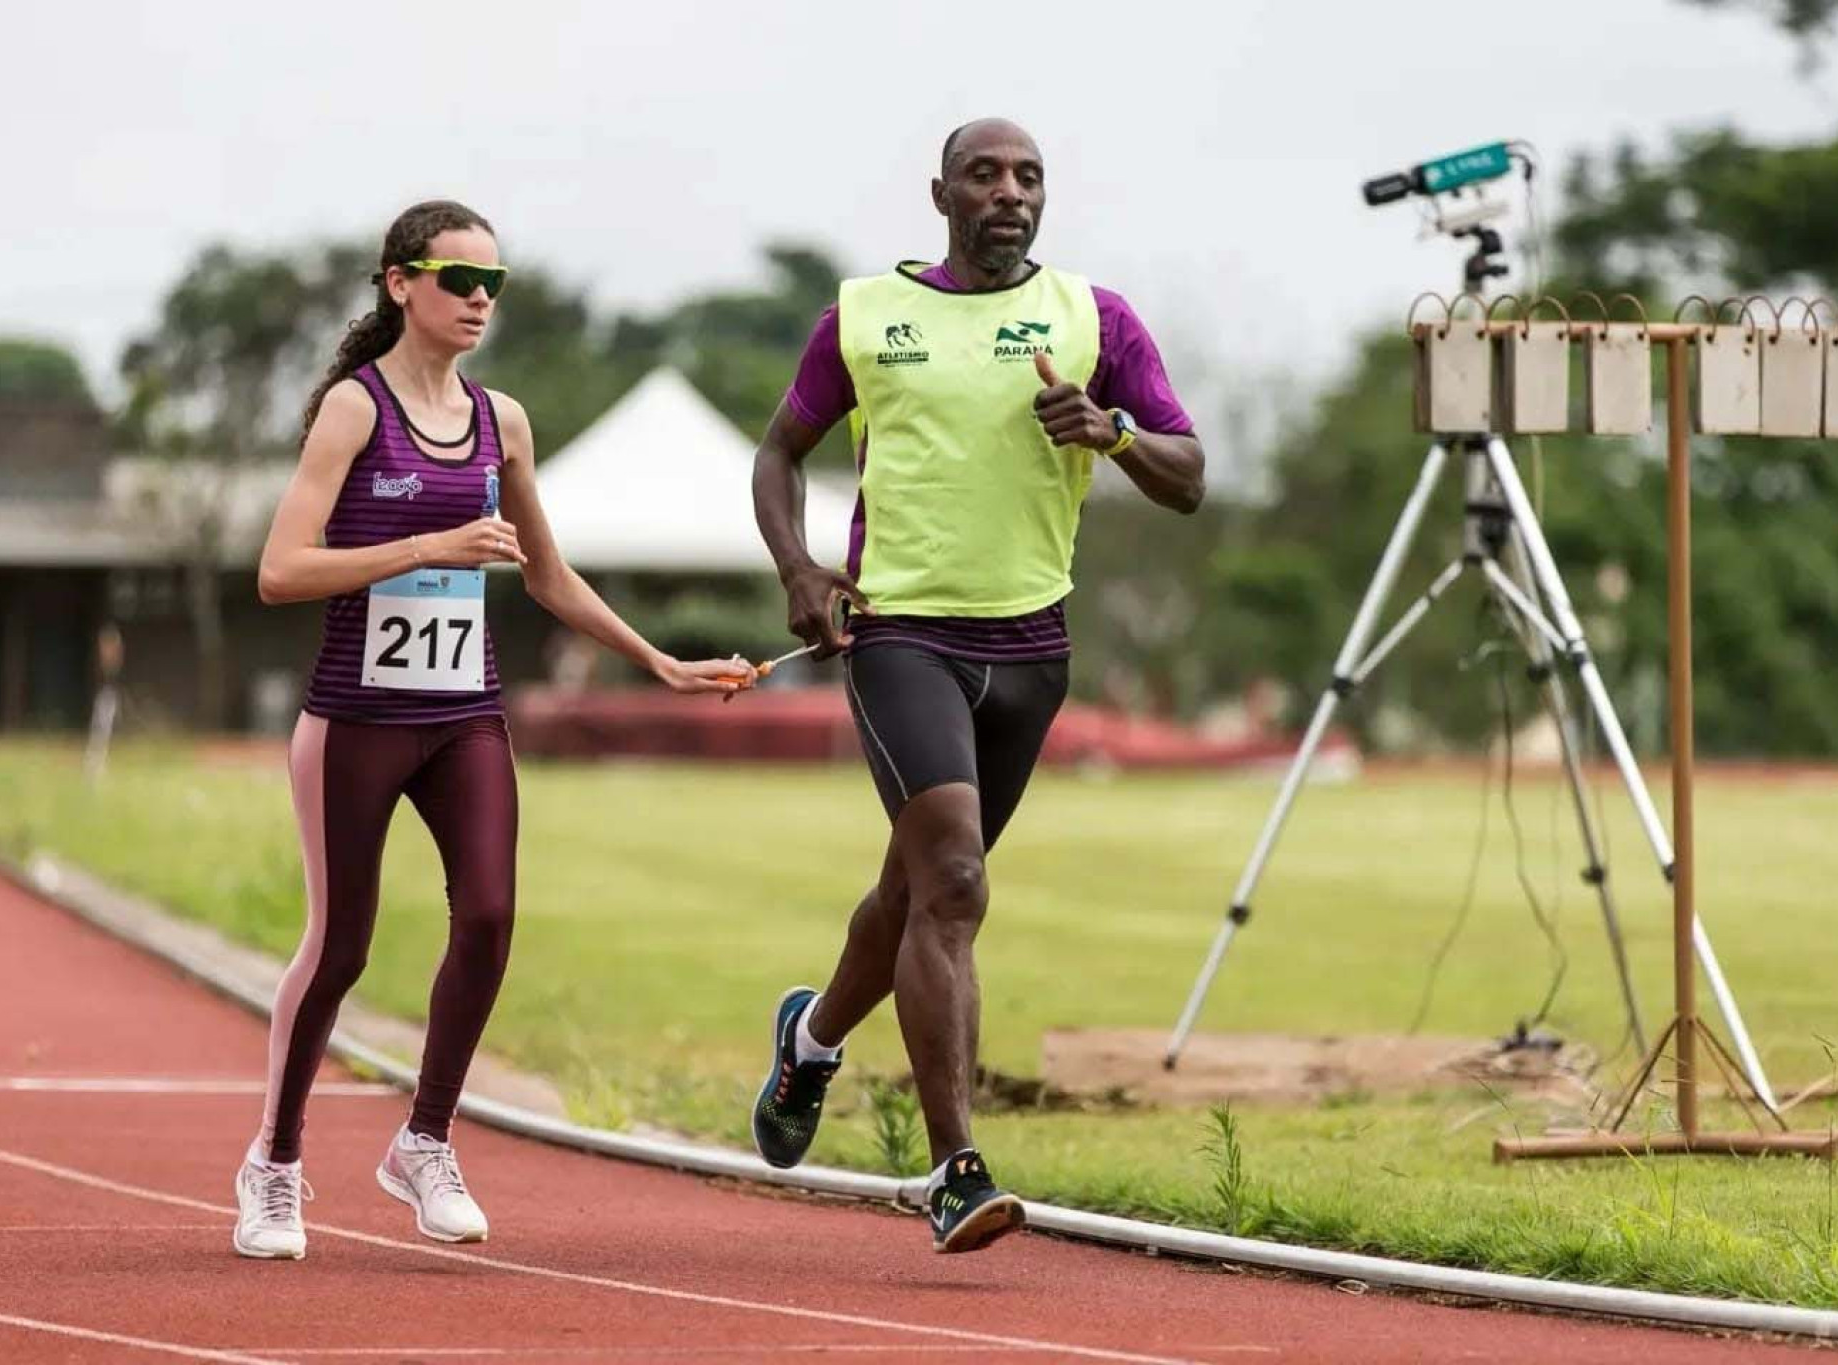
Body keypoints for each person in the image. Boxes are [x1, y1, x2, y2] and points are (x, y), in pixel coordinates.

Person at [235, 199, 753, 1260]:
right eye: (458, 280)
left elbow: (549, 576)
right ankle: (274, 1165)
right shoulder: (352, 410)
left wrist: (658, 662)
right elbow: (280, 572)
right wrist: (425, 541)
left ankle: (423, 1143)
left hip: (463, 714)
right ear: (398, 284)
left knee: (489, 916)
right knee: (340, 947)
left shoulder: (500, 420)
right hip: (357, 718)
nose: (479, 300)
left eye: (495, 285)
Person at [748, 120, 1205, 1254]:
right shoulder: (861, 318)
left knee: (916, 897)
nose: (1009, 193)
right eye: (986, 176)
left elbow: (1189, 474)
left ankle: (809, 1040)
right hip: (902, 634)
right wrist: (802, 571)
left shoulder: (1095, 320)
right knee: (953, 880)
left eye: (1029, 177)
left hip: (1031, 650)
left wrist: (1112, 433)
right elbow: (777, 455)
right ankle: (954, 1168)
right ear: (942, 194)